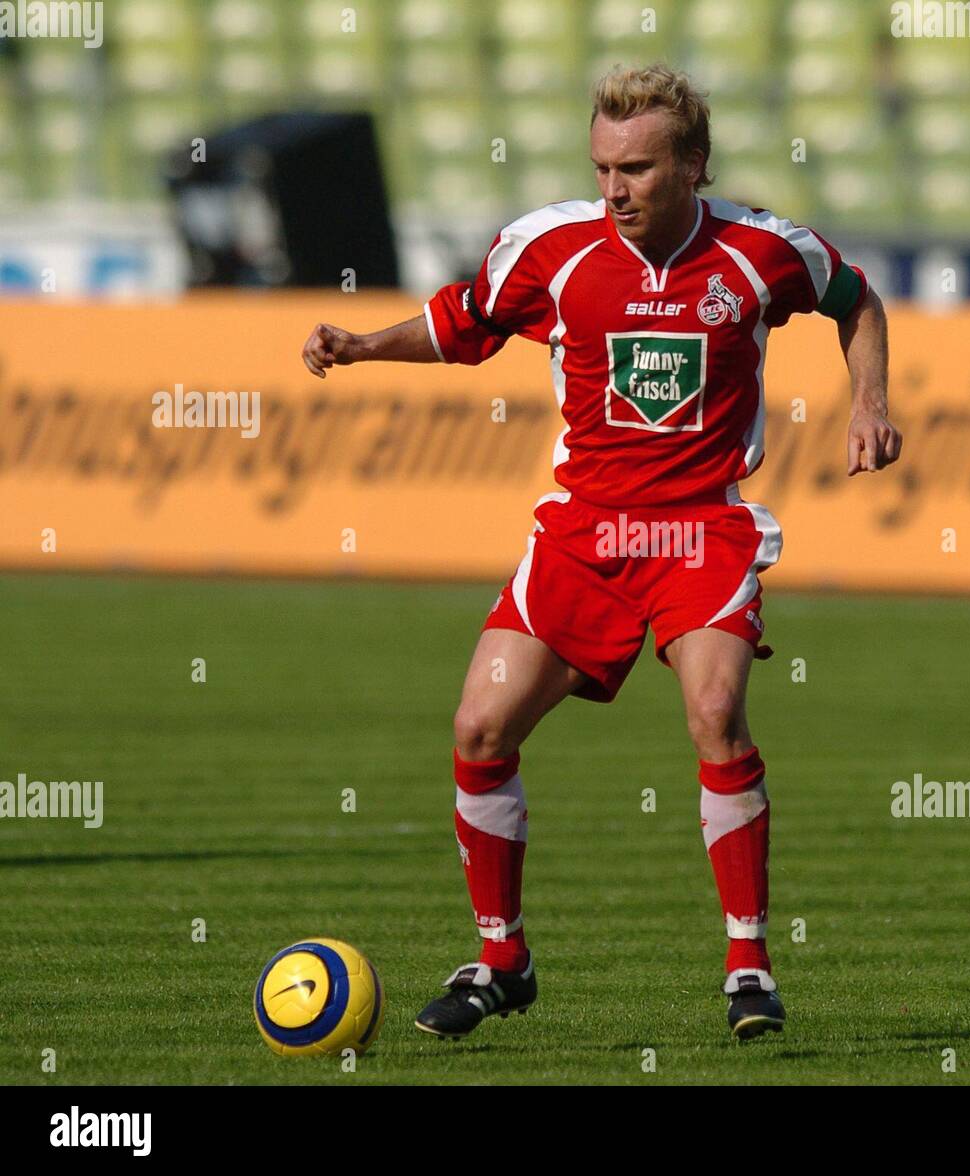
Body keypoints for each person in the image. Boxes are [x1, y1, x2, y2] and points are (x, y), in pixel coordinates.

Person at [300, 64, 900, 1041]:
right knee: (479, 727)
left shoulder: (761, 251)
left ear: (693, 165)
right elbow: (466, 325)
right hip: (583, 531)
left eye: (638, 168)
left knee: (715, 710)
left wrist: (868, 401)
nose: (615, 189)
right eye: (603, 167)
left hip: (699, 526)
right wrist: (364, 345)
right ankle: (503, 962)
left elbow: (858, 303)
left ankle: (748, 964)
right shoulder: (552, 249)